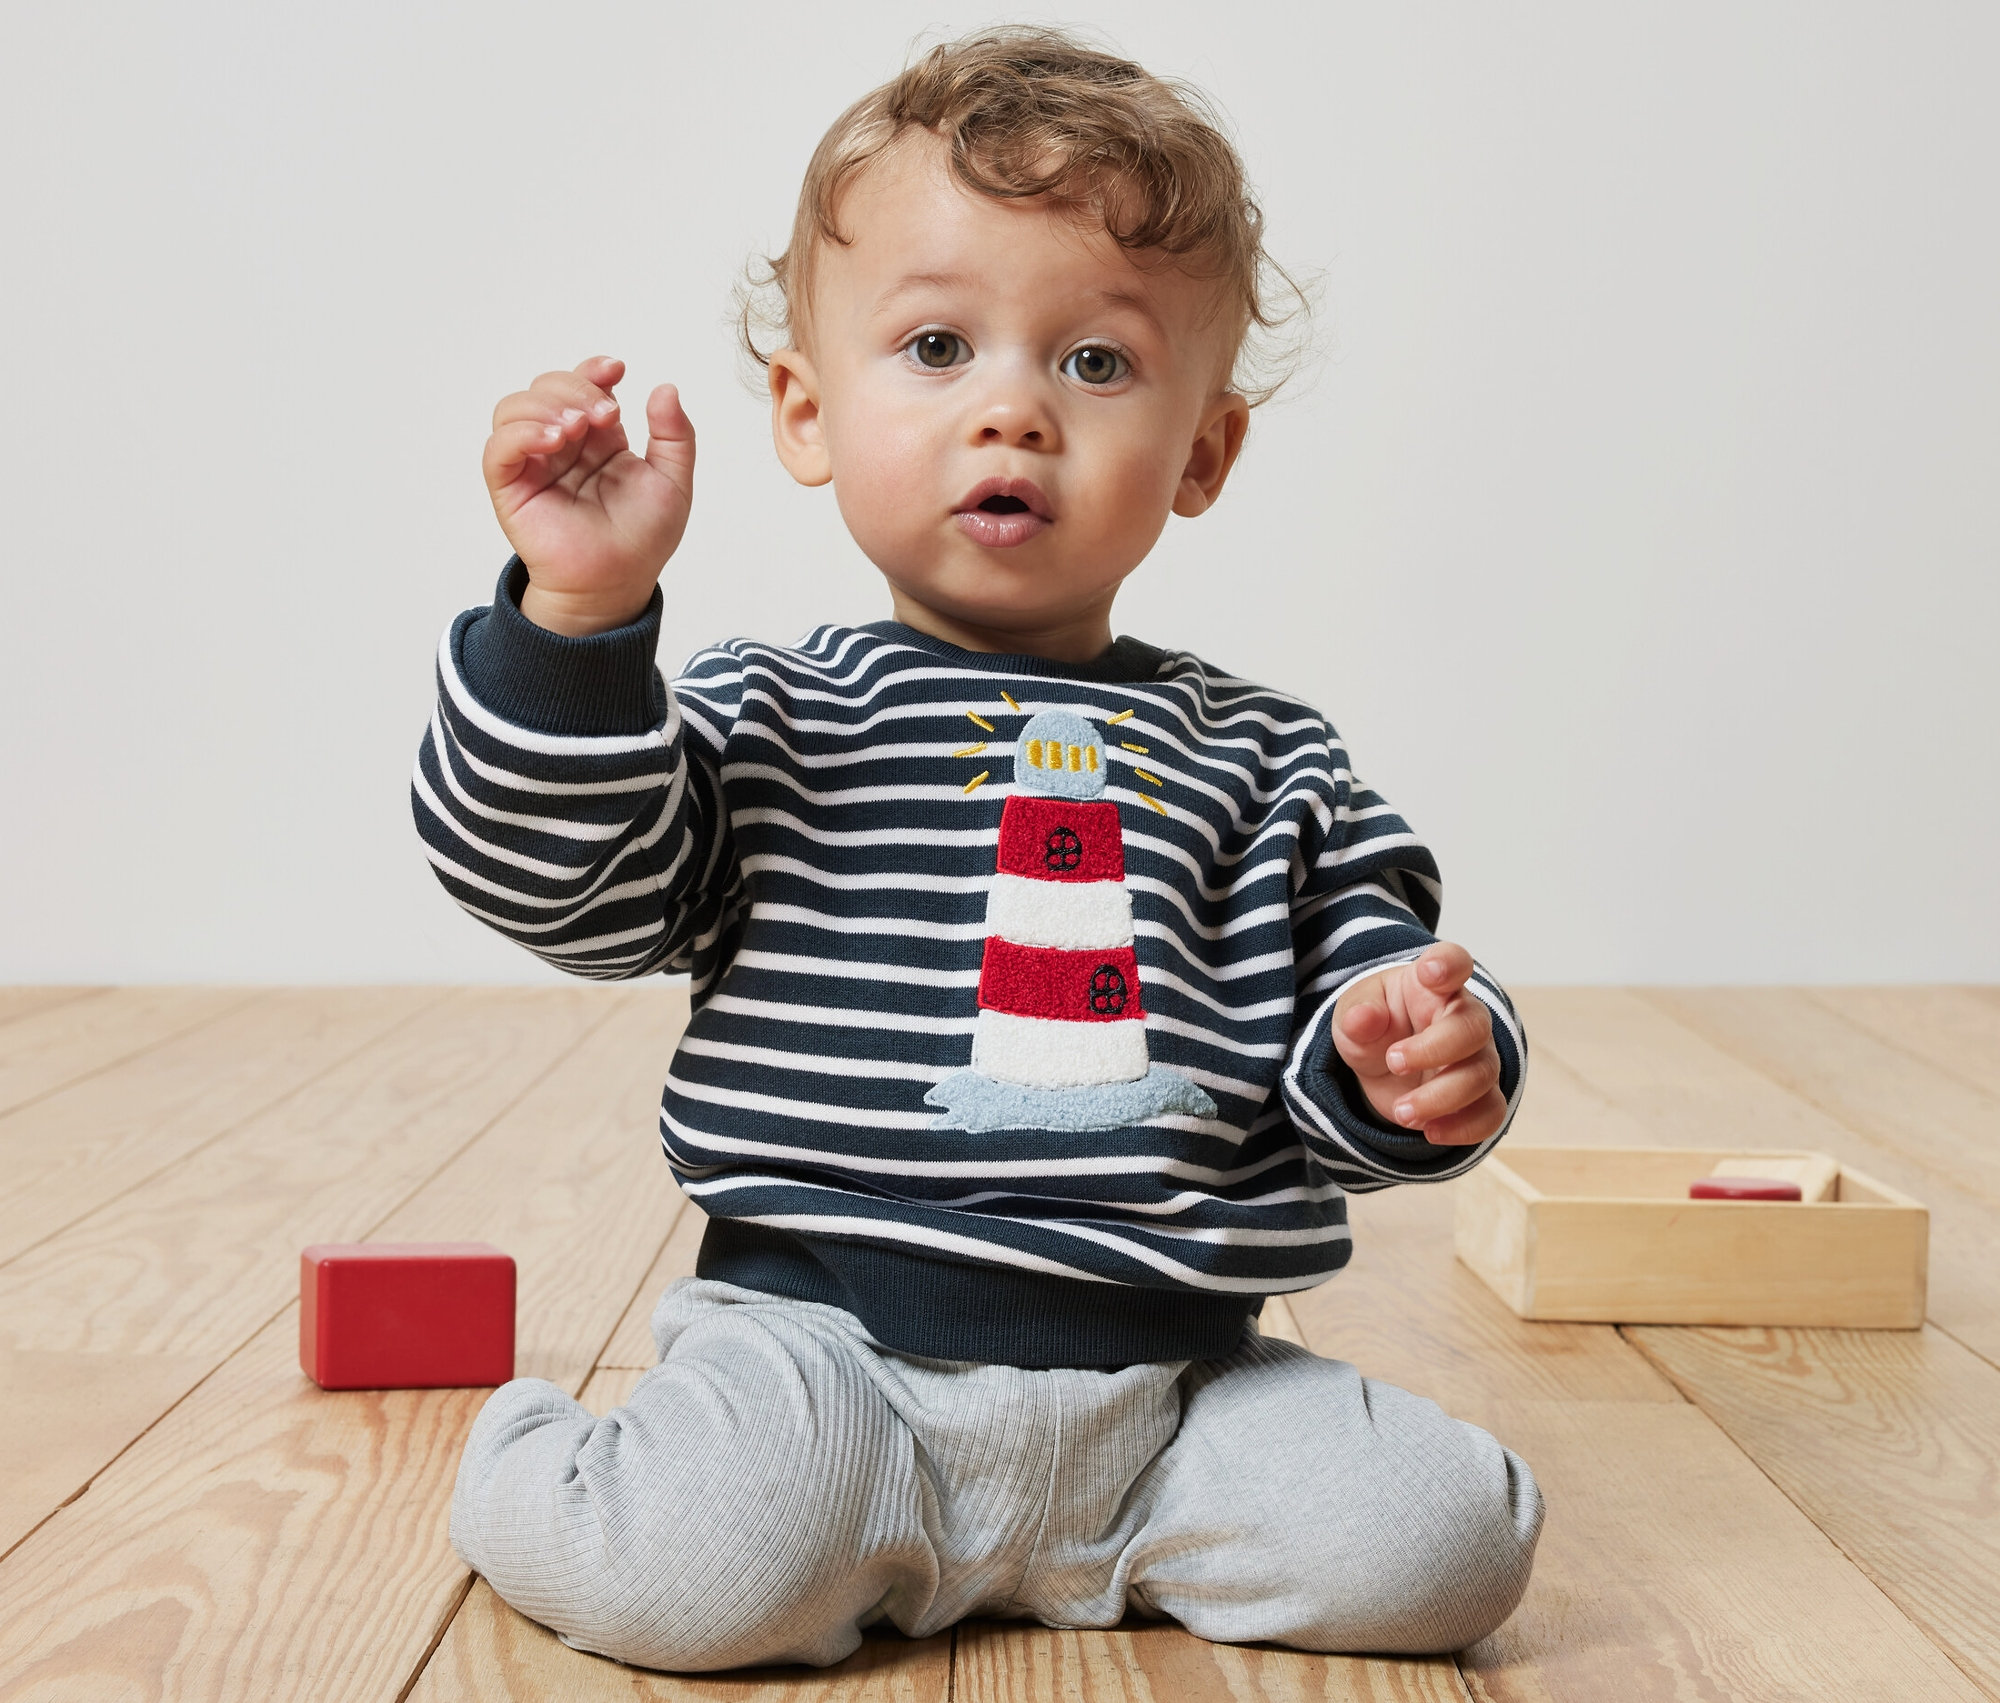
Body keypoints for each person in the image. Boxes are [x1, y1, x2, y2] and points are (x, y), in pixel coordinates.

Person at [415, 26, 1543, 1672]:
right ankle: (550, 1457)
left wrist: (1421, 1057)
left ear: (1204, 451)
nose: (1013, 409)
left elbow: (1369, 998)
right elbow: (561, 888)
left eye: (1095, 364)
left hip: (1181, 1390)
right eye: (938, 345)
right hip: (831, 1359)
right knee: (700, 1570)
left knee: (1448, 1548)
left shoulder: (1269, 757)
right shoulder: (772, 711)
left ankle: (1099, 1546)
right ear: (807, 411)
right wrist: (579, 619)